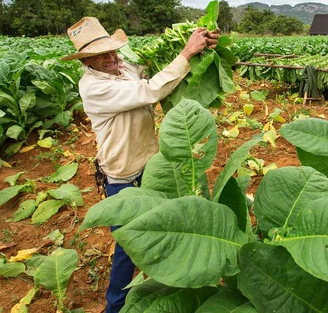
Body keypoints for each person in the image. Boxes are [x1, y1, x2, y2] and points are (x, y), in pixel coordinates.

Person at [61, 17, 219, 312]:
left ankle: (166, 283)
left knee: (165, 229)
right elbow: (150, 90)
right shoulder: (93, 87)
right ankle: (116, 306)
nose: (111, 58)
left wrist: (201, 44)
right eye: (101, 55)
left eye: (112, 51)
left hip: (152, 165)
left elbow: (160, 70)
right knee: (129, 244)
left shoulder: (124, 68)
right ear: (87, 61)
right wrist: (186, 53)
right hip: (122, 174)